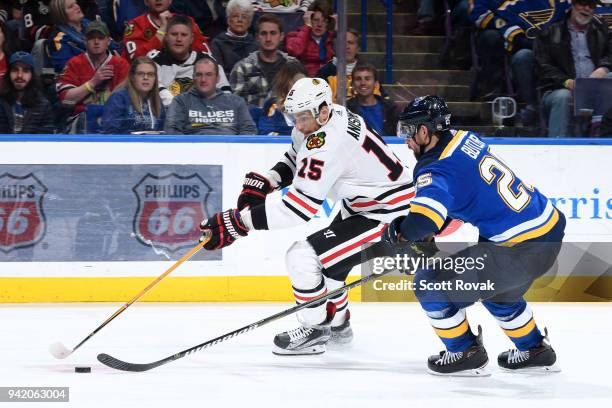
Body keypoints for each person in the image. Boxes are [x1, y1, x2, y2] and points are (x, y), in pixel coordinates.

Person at [198, 77, 414, 355]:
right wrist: (270, 180)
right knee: (332, 269)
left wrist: (238, 222)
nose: (297, 125)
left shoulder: (328, 144)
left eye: (302, 118)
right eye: (293, 117)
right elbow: (296, 155)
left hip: (388, 215)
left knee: (301, 257)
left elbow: (298, 209)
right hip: (367, 204)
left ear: (323, 110)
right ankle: (339, 327)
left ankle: (316, 329)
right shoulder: (332, 114)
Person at [383, 95, 566, 375]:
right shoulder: (464, 138)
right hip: (549, 227)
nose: (405, 140)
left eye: (408, 131)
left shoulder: (435, 167)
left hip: (519, 248)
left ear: (424, 131)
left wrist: (401, 233)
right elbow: (464, 195)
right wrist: (433, 228)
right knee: (498, 290)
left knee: (428, 284)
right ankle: (535, 349)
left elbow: (421, 222)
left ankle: (465, 353)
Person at [469, 0, 569, 119]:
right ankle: (533, 107)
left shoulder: (562, 4)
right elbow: (479, 12)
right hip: (526, 47)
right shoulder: (509, 6)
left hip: (557, 48)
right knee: (520, 55)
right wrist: (518, 38)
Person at [534, 0, 612, 137]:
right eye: (583, 3)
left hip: (597, 87)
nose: (587, 8)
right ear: (572, 5)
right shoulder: (550, 31)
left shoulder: (602, 29)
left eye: (592, 5)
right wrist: (567, 82)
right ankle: (556, 149)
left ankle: (601, 134)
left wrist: (603, 69)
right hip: (559, 88)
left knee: (609, 80)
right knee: (563, 97)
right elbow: (543, 66)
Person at [56, 20, 129, 132]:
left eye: (100, 38)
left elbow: (126, 102)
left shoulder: (121, 64)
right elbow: (66, 101)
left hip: (112, 121)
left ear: (108, 41)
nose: (96, 42)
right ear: (85, 41)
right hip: (81, 121)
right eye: (91, 38)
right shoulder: (74, 63)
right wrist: (92, 83)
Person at [149, 14, 230, 108]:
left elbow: (225, 93)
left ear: (191, 39)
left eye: (184, 35)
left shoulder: (207, 61)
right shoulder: (154, 61)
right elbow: (155, 94)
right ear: (166, 37)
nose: (179, 39)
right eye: (174, 34)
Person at [164, 55, 256, 135]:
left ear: (218, 78)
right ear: (193, 78)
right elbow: (171, 130)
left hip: (229, 150)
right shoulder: (181, 101)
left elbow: (249, 130)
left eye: (209, 74)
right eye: (199, 75)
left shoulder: (236, 102)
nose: (203, 79)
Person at [230, 13, 297, 107]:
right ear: (257, 37)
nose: (268, 39)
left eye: (273, 33)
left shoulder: (293, 67)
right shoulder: (242, 68)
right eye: (264, 33)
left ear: (281, 36)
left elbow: (302, 101)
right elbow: (238, 106)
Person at [122, 0, 210, 61]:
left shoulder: (187, 22)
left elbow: (206, 55)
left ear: (170, 0)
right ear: (146, 1)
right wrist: (162, 30)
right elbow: (137, 60)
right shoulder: (135, 26)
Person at [48, 0, 119, 72]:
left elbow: (113, 45)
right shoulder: (59, 38)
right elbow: (67, 67)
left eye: (76, 3)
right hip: (85, 78)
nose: (77, 7)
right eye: (70, 7)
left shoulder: (90, 24)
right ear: (61, 14)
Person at [316, 28, 385, 102]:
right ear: (334, 47)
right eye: (342, 43)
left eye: (351, 43)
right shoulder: (323, 74)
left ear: (358, 48)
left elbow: (382, 101)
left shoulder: (369, 72)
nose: (347, 47)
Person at [102, 56, 165, 133]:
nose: (145, 77)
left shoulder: (157, 101)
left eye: (150, 74)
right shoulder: (118, 98)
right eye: (140, 74)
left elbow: (162, 131)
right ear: (132, 77)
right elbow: (110, 133)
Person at [0, 51, 55, 133]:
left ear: (32, 75)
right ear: (9, 74)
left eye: (25, 71)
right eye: (15, 70)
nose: (19, 75)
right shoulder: (1, 101)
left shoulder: (43, 105)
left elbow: (46, 140)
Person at [345, 62, 399, 136]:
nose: (363, 83)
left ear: (376, 84)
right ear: (353, 85)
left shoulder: (391, 108)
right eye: (358, 79)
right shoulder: (346, 109)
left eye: (367, 79)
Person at [256, 61, 307, 135]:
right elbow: (267, 133)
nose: (300, 87)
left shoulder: (315, 106)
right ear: (285, 85)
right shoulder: (274, 107)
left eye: (303, 83)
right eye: (296, 83)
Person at [285, 0, 334, 77]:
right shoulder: (295, 36)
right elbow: (295, 51)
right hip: (304, 80)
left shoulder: (331, 38)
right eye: (316, 20)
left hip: (328, 81)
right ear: (309, 19)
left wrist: (337, 29)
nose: (319, 25)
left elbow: (343, 58)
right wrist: (307, 26)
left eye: (324, 21)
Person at [210, 0, 257, 77]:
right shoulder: (218, 43)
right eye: (235, 16)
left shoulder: (256, 44)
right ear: (228, 20)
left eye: (244, 17)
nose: (240, 20)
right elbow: (218, 73)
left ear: (249, 22)